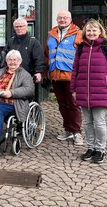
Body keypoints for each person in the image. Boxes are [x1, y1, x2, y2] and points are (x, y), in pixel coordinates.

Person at [70, 19, 107, 163]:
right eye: (88, 30)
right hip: (83, 91)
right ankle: (91, 147)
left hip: (101, 91)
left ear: (100, 32)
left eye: (94, 30)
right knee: (87, 123)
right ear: (85, 32)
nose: (91, 33)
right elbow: (75, 70)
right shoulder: (81, 48)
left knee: (99, 122)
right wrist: (73, 89)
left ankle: (100, 149)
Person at [45, 10, 84, 145]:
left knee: (73, 104)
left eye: (65, 18)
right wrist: (45, 73)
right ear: (57, 19)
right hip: (55, 75)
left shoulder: (78, 33)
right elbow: (47, 54)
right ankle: (68, 129)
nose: (62, 20)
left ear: (70, 19)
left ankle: (76, 132)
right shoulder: (52, 34)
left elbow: (82, 56)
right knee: (62, 104)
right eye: (60, 18)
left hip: (71, 76)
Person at [3, 17, 45, 84]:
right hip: (11, 76)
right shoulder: (10, 41)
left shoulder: (33, 42)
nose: (19, 29)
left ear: (26, 27)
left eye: (21, 26)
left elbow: (39, 59)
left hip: (28, 76)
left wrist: (39, 72)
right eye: (16, 27)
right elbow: (4, 57)